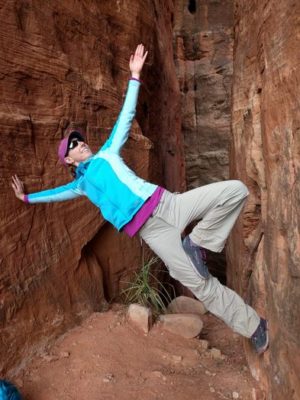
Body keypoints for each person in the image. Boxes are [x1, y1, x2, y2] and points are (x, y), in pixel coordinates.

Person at [11, 44, 268, 354]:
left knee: (236, 191)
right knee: (202, 286)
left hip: (168, 204)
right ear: (69, 160)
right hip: (153, 233)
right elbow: (54, 195)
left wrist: (135, 76)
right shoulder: (80, 187)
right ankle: (253, 326)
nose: (80, 144)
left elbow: (126, 116)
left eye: (79, 140)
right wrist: (27, 198)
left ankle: (198, 243)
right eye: (73, 146)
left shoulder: (107, 152)